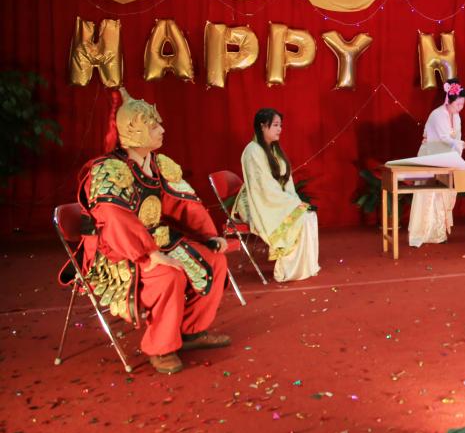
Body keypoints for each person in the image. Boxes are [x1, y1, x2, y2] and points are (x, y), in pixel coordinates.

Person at [75, 89, 230, 375]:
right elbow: (113, 217)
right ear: (133, 130)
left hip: (156, 241)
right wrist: (148, 254)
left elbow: (184, 204)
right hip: (119, 249)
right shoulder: (107, 170)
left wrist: (209, 236)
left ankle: (192, 331)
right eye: (154, 125)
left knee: (215, 259)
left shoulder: (158, 164)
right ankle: (161, 347)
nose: (162, 129)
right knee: (169, 274)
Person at [237, 108, 320, 283]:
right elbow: (263, 188)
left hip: (276, 201)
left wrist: (294, 202)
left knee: (309, 216)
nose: (279, 129)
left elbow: (286, 181)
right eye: (275, 125)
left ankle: (304, 267)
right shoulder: (253, 151)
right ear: (262, 126)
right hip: (259, 203)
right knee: (301, 219)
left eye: (280, 125)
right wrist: (292, 205)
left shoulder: (273, 149)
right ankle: (288, 270)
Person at [407, 79, 465, 247]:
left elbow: (456, 138)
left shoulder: (456, 116)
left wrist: (460, 149)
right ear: (449, 100)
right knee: (428, 195)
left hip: (445, 158)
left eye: (462, 104)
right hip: (431, 157)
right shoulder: (437, 115)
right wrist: (464, 145)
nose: (460, 107)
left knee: (442, 195)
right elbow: (445, 138)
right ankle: (422, 233)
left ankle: (438, 233)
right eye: (457, 104)